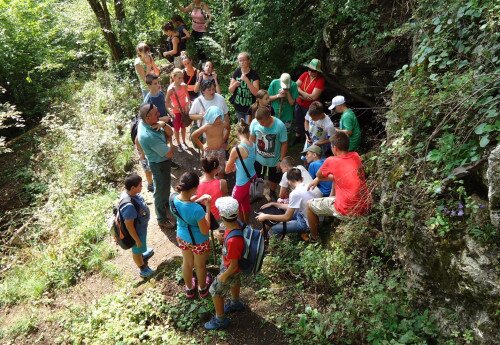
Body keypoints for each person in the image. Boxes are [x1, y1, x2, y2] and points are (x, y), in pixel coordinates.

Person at [307, 132, 371, 242]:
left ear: (334, 148)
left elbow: (319, 174)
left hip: (347, 210)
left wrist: (318, 179)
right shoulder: (355, 156)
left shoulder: (331, 160)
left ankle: (314, 237)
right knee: (336, 186)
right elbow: (339, 176)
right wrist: (319, 179)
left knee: (309, 205)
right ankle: (328, 221)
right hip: (365, 206)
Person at [205, 196, 246, 330]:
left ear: (222, 215)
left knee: (215, 290)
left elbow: (233, 265)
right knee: (235, 282)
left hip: (231, 268)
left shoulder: (233, 240)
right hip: (232, 265)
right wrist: (222, 240)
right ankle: (235, 303)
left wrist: (223, 276)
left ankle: (220, 320)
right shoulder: (236, 224)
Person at [171, 172, 213, 299]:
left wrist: (197, 199)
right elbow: (205, 230)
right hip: (198, 241)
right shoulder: (197, 210)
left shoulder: (173, 198)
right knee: (200, 265)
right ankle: (203, 288)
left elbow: (186, 205)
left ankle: (189, 289)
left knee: (187, 263)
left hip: (182, 236)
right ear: (194, 188)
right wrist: (208, 207)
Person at [136, 103, 176, 234]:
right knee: (160, 190)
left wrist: (163, 125)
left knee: (166, 185)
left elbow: (170, 131)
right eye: (156, 113)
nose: (159, 114)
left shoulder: (147, 122)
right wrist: (170, 141)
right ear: (148, 117)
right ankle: (161, 218)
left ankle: (165, 204)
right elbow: (169, 153)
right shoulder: (148, 135)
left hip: (162, 162)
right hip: (159, 165)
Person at [256, 168, 318, 240]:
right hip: (310, 217)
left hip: (306, 223)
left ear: (289, 181)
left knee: (274, 228)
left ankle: (277, 245)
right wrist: (274, 204)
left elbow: (287, 217)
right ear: (302, 178)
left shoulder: (295, 193)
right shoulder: (308, 186)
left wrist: (266, 216)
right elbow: (291, 207)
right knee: (277, 215)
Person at [250, 106, 288, 199]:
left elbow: (284, 143)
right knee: (257, 176)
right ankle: (257, 194)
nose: (260, 124)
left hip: (274, 160)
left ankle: (272, 192)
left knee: (274, 177)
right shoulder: (255, 122)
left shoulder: (280, 125)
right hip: (258, 158)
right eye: (259, 122)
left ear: (269, 117)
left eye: (262, 122)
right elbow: (251, 139)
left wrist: (281, 160)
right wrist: (251, 155)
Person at [225, 119, 257, 224]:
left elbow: (227, 170)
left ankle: (238, 226)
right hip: (251, 177)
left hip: (241, 182)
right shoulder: (253, 145)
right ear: (248, 132)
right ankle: (246, 224)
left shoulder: (237, 149)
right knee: (245, 202)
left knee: (233, 206)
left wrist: (231, 163)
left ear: (237, 133)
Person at [294, 58, 325, 145]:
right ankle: (298, 136)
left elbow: (313, 97)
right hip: (299, 103)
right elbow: (295, 85)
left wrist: (299, 93)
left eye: (313, 71)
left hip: (310, 107)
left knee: (309, 122)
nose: (310, 72)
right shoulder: (305, 74)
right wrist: (304, 94)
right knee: (298, 120)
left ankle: (308, 139)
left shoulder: (320, 80)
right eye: (309, 69)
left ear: (317, 71)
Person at [191, 106, 230, 174]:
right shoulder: (207, 126)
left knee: (221, 169)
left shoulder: (223, 124)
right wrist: (202, 146)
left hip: (220, 149)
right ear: (210, 118)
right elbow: (194, 135)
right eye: (215, 119)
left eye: (219, 117)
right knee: (209, 170)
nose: (218, 120)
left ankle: (220, 181)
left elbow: (229, 129)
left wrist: (224, 140)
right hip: (209, 151)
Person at [229, 52, 260, 122]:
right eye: (240, 60)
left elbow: (256, 93)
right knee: (242, 128)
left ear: (248, 61)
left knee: (248, 128)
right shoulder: (237, 72)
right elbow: (230, 90)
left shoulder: (254, 74)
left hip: (250, 108)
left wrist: (247, 80)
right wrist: (234, 85)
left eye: (244, 60)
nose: (242, 62)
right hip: (238, 107)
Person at [196, 156, 228, 221]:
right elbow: (225, 199)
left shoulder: (196, 183)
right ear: (214, 170)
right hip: (218, 216)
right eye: (218, 167)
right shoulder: (222, 183)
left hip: (203, 217)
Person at [166, 68, 191, 152]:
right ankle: (179, 144)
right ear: (174, 77)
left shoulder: (184, 85)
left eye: (182, 77)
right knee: (176, 129)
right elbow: (167, 103)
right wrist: (175, 108)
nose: (181, 80)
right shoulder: (170, 89)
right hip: (176, 112)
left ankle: (184, 142)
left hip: (184, 111)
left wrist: (187, 104)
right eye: (179, 78)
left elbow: (188, 96)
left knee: (184, 126)